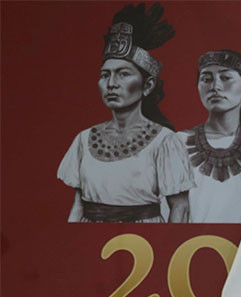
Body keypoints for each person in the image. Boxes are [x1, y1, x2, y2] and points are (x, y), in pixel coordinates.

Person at [57, 3, 193, 223]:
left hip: (146, 244)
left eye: (123, 74)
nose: (111, 84)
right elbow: (78, 205)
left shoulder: (165, 142)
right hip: (90, 241)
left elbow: (180, 208)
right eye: (105, 75)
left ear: (147, 86)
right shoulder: (84, 139)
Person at [175, 50, 241, 223]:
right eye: (207, 79)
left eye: (225, 78)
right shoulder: (177, 143)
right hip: (191, 247)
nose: (215, 87)